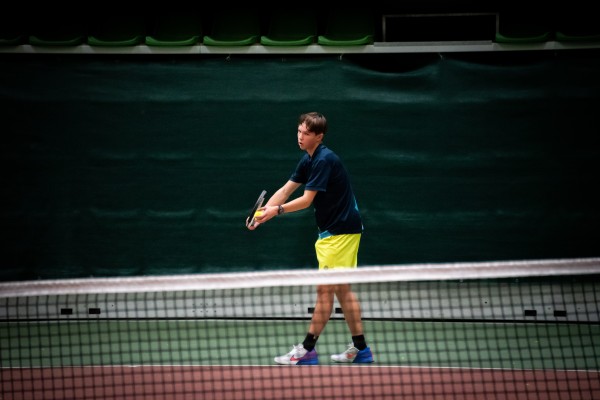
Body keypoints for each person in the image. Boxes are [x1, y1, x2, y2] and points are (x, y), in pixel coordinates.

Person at [247, 112, 373, 365]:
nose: (300, 137)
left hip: (340, 233)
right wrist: (261, 216)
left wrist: (276, 211)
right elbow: (285, 191)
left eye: (306, 133)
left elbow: (306, 200)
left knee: (324, 291)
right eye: (299, 131)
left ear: (319, 136)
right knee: (342, 290)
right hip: (338, 231)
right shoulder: (308, 159)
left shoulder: (324, 160)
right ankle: (361, 349)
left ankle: (307, 350)